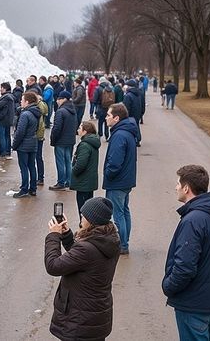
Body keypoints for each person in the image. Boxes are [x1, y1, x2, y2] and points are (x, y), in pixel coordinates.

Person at [162, 165, 210, 341]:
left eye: (178, 183)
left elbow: (184, 267)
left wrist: (168, 287)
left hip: (193, 302)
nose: (176, 187)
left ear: (186, 188)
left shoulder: (193, 220)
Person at [45, 197, 121, 341]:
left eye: (83, 215)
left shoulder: (87, 249)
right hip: (96, 316)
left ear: (91, 220)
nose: (81, 218)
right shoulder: (109, 240)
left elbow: (53, 266)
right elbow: (82, 259)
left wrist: (53, 236)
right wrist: (67, 234)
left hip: (80, 321)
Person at [103, 103, 139, 255]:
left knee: (118, 214)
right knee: (124, 211)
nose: (106, 118)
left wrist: (108, 174)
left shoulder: (119, 135)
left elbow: (115, 162)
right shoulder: (127, 131)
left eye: (108, 115)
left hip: (118, 181)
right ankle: (125, 242)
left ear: (116, 118)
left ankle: (122, 245)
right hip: (126, 179)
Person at [70, 121, 100, 222]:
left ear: (85, 131)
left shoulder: (84, 145)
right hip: (89, 181)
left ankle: (83, 228)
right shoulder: (93, 142)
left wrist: (73, 171)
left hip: (83, 182)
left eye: (80, 128)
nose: (78, 130)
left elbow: (81, 164)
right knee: (88, 208)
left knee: (83, 210)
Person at [12, 92, 40, 198]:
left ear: (27, 102)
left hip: (24, 144)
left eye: (22, 100)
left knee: (23, 167)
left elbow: (20, 132)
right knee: (32, 166)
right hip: (33, 143)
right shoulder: (36, 112)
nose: (20, 102)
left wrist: (15, 144)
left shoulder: (25, 114)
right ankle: (33, 189)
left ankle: (24, 189)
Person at [49, 91, 77, 191]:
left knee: (60, 162)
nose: (57, 101)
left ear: (64, 99)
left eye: (59, 99)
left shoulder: (61, 111)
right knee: (68, 162)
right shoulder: (73, 110)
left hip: (61, 141)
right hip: (70, 140)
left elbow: (56, 128)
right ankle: (68, 181)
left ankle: (61, 182)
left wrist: (53, 139)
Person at [0, 82, 15, 159]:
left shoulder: (6, 97)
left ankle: (3, 152)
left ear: (5, 88)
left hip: (3, 120)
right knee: (7, 136)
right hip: (8, 119)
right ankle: (7, 151)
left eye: (1, 88)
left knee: (2, 136)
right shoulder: (10, 96)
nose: (0, 89)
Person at [33, 90, 49, 187]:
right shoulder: (43, 105)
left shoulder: (37, 107)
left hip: (37, 135)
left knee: (36, 157)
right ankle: (40, 177)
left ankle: (39, 178)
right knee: (38, 157)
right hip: (40, 134)